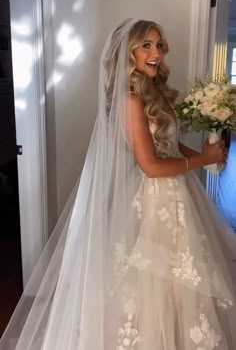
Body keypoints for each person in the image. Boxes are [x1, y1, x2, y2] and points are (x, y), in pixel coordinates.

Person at [1, 18, 236, 349]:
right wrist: (204, 159)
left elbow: (167, 143)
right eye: (146, 45)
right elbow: (151, 166)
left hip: (176, 197)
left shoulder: (154, 93)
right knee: (151, 279)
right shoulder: (130, 100)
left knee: (179, 280)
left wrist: (204, 153)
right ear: (129, 52)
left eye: (158, 45)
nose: (156, 53)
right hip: (155, 198)